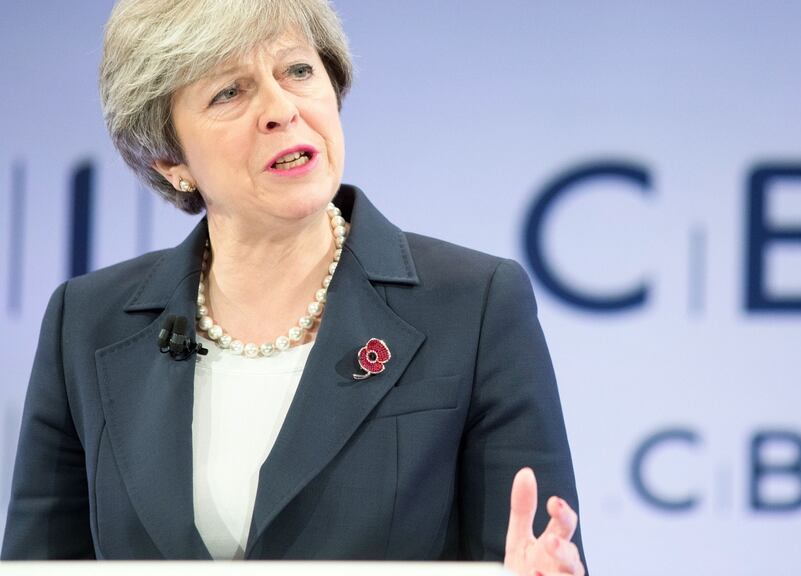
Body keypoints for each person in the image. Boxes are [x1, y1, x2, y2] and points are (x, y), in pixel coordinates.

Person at [1, 1, 586, 573]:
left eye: (297, 71)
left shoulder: (474, 304)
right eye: (229, 91)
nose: (281, 108)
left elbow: (527, 547)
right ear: (169, 159)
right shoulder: (85, 322)